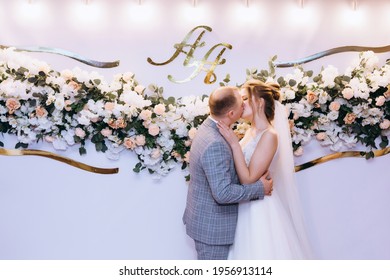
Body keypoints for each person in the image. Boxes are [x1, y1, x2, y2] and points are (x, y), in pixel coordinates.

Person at [217, 80, 313, 259]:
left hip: (258, 208)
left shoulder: (270, 135)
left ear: (259, 102)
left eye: (245, 98)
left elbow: (248, 179)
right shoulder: (251, 131)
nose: (241, 103)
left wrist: (233, 144)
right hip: (245, 203)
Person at [182, 86, 274, 260]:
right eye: (241, 102)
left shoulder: (209, 127)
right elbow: (223, 194)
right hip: (213, 230)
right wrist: (260, 188)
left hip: (209, 222)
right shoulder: (215, 142)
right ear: (231, 113)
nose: (244, 105)